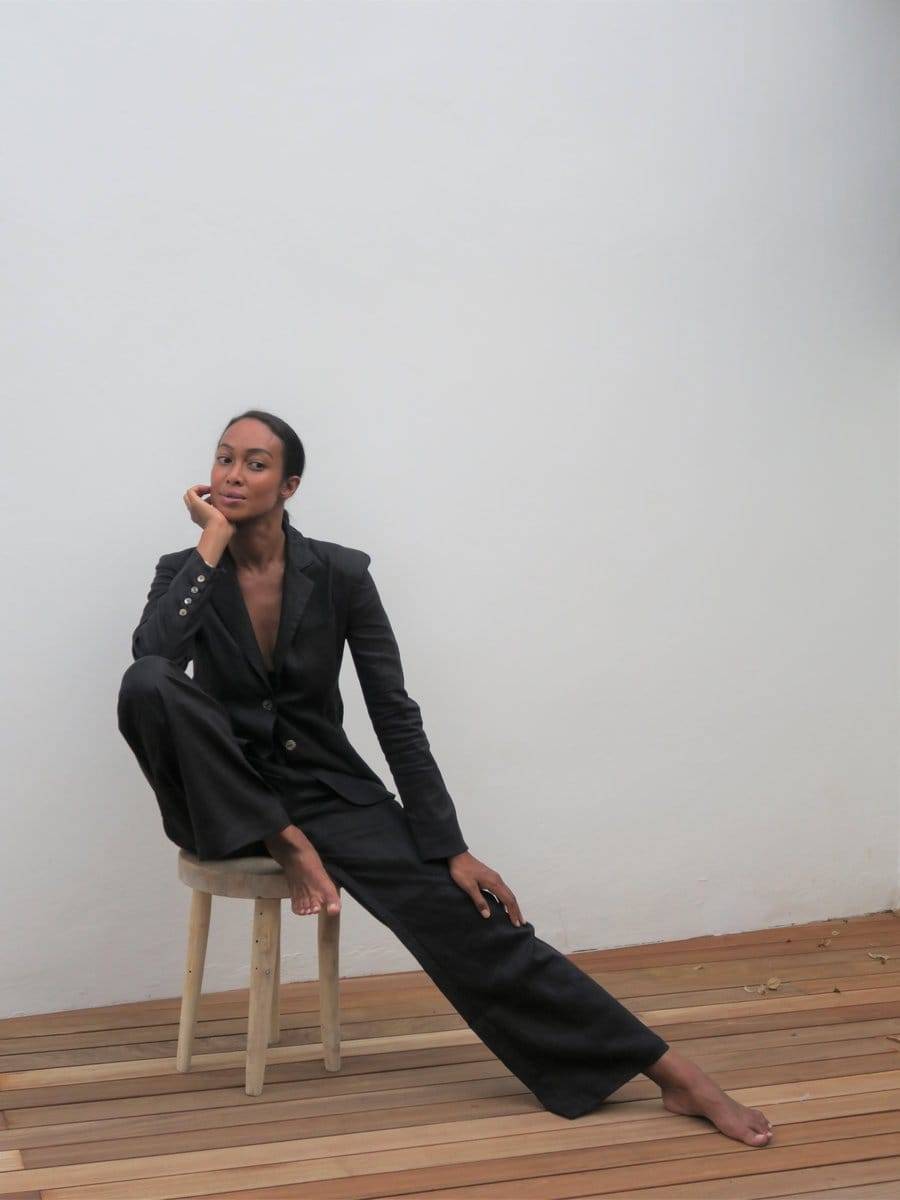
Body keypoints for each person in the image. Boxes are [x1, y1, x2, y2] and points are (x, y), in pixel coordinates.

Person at [117, 410, 773, 1146]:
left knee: (476, 923)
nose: (234, 475)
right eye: (224, 459)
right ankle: (287, 841)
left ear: (290, 484)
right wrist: (210, 541)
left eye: (255, 463)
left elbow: (394, 712)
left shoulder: (341, 575)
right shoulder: (185, 572)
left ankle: (673, 1074)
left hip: (326, 792)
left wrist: (447, 844)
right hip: (222, 798)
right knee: (148, 680)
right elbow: (153, 658)